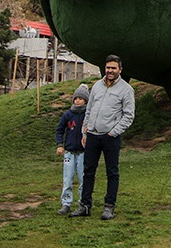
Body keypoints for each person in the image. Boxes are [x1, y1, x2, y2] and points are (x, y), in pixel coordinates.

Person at [69, 55, 135, 221]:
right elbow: (89, 110)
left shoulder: (126, 90)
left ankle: (109, 207)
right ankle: (84, 205)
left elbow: (128, 116)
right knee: (88, 171)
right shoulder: (97, 86)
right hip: (92, 135)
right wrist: (86, 131)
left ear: (120, 69)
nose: (110, 71)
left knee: (112, 172)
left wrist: (113, 132)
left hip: (110, 137)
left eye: (113, 68)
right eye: (108, 68)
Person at [55, 83, 90, 215]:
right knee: (67, 178)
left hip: (83, 152)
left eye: (80, 98)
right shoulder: (68, 115)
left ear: (86, 100)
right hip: (69, 152)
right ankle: (66, 202)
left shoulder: (88, 115)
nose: (77, 101)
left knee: (83, 178)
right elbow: (59, 130)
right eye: (76, 98)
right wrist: (60, 145)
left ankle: (82, 202)